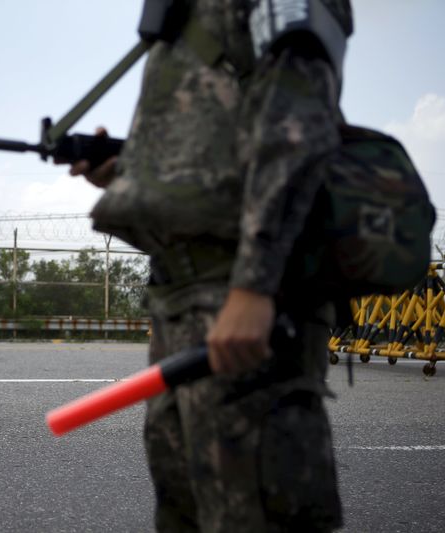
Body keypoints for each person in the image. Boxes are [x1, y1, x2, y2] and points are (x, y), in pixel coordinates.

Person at [64, 1, 353, 531]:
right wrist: (128, 173)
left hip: (243, 298)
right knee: (186, 506)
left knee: (251, 511)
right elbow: (215, 148)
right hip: (179, 299)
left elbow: (299, 120)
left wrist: (255, 285)